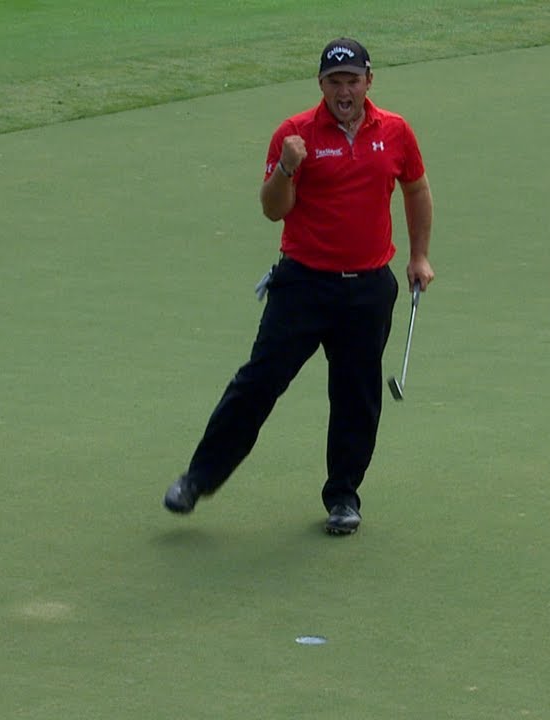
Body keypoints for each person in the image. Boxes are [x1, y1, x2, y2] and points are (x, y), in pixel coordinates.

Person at [163, 37, 435, 535]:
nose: (344, 90)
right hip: (303, 286)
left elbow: (415, 188)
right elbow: (273, 209)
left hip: (369, 287)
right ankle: (197, 480)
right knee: (258, 383)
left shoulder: (394, 132)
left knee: (356, 394)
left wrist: (419, 255)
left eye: (353, 79)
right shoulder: (295, 134)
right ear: (321, 85)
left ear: (369, 81)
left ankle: (344, 497)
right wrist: (288, 166)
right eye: (335, 81)